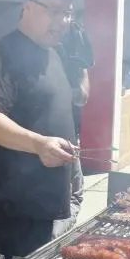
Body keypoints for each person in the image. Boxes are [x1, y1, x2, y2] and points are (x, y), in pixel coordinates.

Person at [0, 0, 80, 259]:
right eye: (55, 10)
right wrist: (41, 144)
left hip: (41, 201)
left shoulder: (53, 54)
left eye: (68, 12)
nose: (63, 21)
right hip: (7, 205)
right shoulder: (5, 53)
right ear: (27, 8)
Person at [52, 20, 94, 238]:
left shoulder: (73, 61)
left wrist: (80, 69)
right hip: (51, 142)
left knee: (72, 196)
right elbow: (80, 97)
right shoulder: (47, 58)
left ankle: (53, 237)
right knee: (69, 198)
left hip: (69, 137)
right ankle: (52, 239)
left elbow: (82, 97)